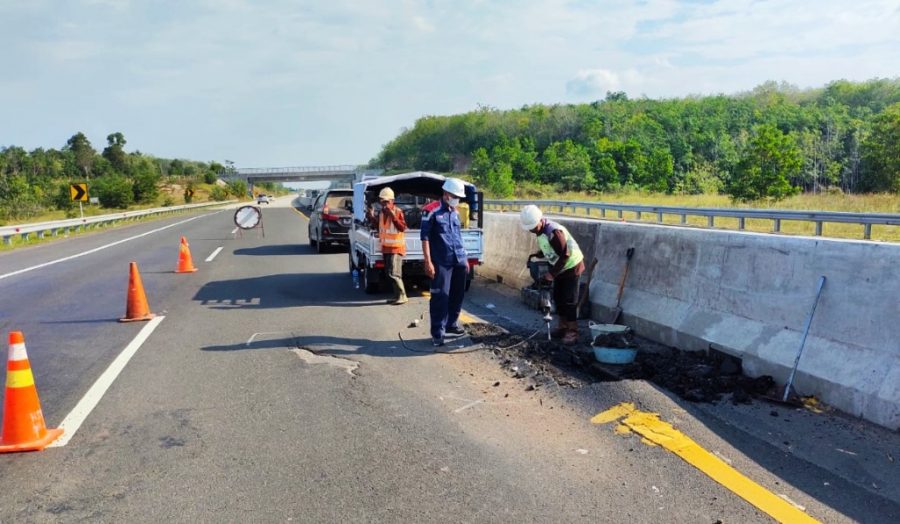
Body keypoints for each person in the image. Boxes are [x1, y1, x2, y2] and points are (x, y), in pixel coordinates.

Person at [520, 205, 585, 345]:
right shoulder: (540, 232)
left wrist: (550, 275)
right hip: (558, 268)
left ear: (540, 220)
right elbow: (549, 246)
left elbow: (565, 254)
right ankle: (562, 326)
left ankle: (573, 330)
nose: (532, 230)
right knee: (558, 297)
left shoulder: (553, 232)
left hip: (571, 266)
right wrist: (539, 254)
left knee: (569, 299)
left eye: (533, 227)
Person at [421, 178, 469, 346]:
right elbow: (425, 237)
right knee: (440, 296)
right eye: (455, 196)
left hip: (459, 259)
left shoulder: (454, 211)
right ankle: (437, 333)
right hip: (441, 261)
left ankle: (452, 324)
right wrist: (428, 261)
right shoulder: (431, 211)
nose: (457, 199)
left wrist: (465, 259)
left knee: (457, 294)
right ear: (446, 194)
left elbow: (458, 236)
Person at [367, 187, 408, 305]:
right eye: (382, 201)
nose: (384, 204)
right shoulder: (381, 213)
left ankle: (403, 296)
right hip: (385, 247)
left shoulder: (397, 211)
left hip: (396, 248)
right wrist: (371, 216)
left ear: (392, 201)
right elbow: (378, 227)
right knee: (389, 273)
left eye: (387, 202)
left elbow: (402, 228)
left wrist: (392, 215)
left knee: (394, 273)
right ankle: (396, 296)